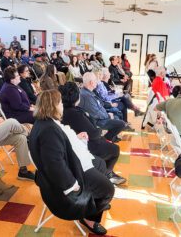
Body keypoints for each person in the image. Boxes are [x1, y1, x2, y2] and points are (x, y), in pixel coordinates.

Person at [28, 89, 114, 235]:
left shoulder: (45, 123)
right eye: (60, 102)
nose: (62, 105)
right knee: (108, 190)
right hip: (65, 183)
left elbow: (59, 147)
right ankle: (89, 218)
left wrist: (77, 138)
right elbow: (55, 165)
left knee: (101, 167)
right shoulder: (49, 130)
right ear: (53, 106)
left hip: (70, 166)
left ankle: (94, 204)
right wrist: (71, 185)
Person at [59, 82, 126, 185]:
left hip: (79, 141)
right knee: (115, 150)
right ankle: (106, 175)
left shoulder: (65, 110)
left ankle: (107, 173)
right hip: (86, 144)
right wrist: (100, 130)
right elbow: (93, 134)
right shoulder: (75, 113)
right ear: (76, 97)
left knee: (107, 144)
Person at [79, 72, 126, 143]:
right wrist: (108, 116)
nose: (96, 82)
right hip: (97, 121)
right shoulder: (86, 96)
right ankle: (105, 141)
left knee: (117, 116)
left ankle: (108, 140)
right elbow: (96, 113)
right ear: (91, 82)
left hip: (100, 117)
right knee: (121, 124)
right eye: (95, 80)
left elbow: (100, 105)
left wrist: (108, 113)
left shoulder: (89, 92)